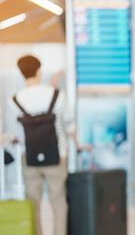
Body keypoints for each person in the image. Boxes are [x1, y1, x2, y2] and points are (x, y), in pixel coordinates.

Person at [9, 55, 90, 235]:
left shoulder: (15, 100)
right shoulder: (57, 95)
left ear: (22, 73)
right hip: (57, 155)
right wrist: (77, 144)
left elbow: (18, 130)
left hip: (29, 156)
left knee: (33, 203)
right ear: (39, 71)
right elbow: (69, 124)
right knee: (59, 201)